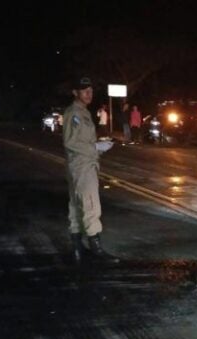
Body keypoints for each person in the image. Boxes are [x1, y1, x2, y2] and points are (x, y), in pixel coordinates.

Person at [62, 77, 119, 264]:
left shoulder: (83, 112)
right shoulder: (74, 113)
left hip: (80, 164)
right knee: (90, 204)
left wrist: (98, 144)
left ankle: (78, 249)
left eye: (91, 90)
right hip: (82, 165)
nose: (89, 93)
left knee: (77, 206)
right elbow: (70, 142)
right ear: (75, 92)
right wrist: (96, 147)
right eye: (84, 90)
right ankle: (97, 250)